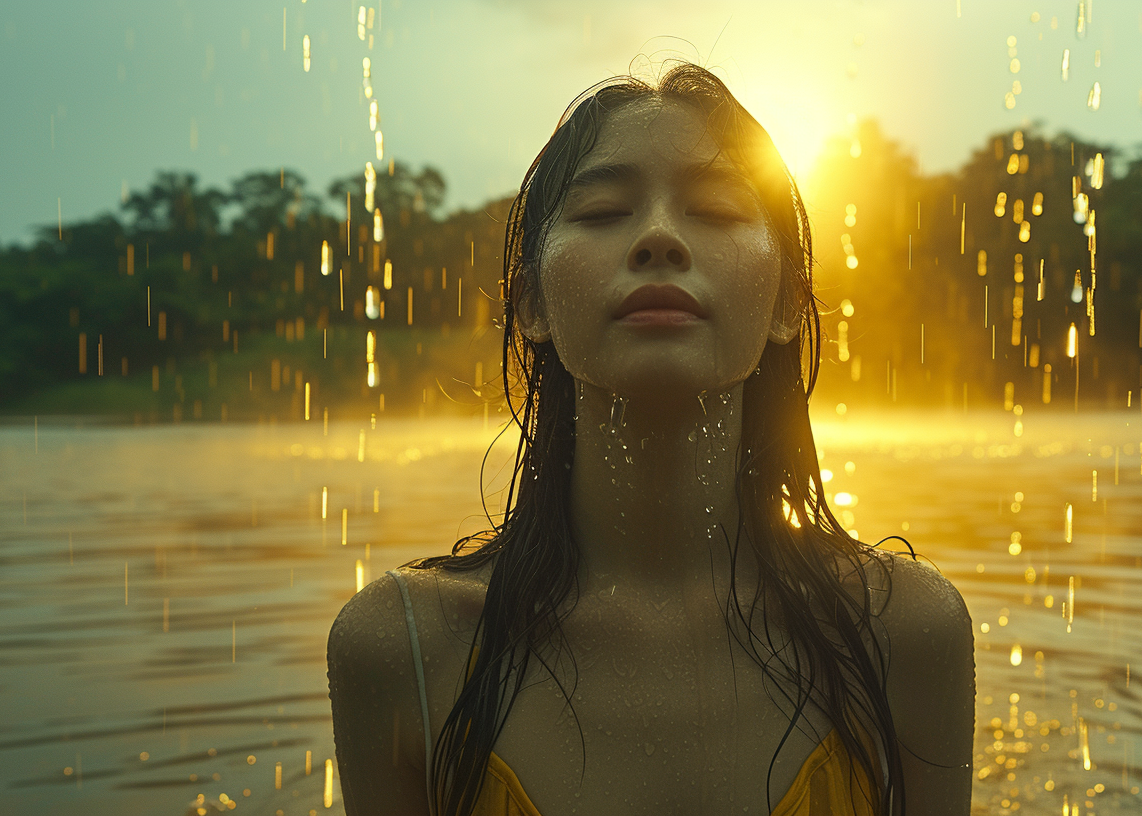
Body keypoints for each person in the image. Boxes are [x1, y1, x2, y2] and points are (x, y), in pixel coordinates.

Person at [327, 60, 975, 816]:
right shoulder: (403, 650)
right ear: (531, 304)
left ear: (786, 304)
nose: (660, 238)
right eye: (603, 212)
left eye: (718, 211)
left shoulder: (904, 632)